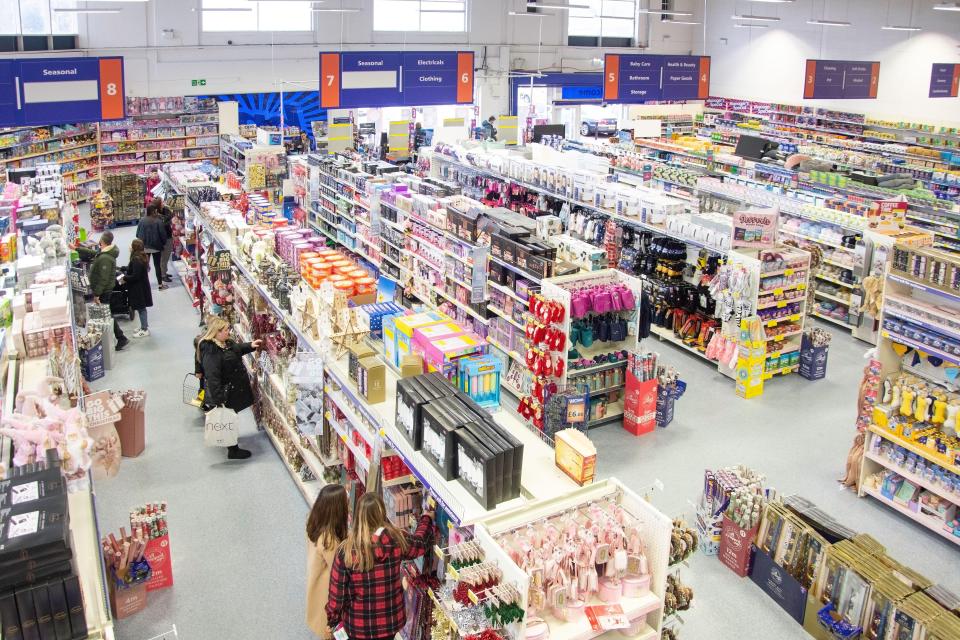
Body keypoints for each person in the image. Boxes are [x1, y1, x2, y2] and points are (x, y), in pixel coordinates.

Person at [326, 494, 435, 640]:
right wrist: (426, 518)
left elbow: (337, 595)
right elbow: (421, 543)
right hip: (389, 622)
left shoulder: (346, 551)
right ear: (382, 513)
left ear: (358, 515)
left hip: (357, 625)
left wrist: (332, 619)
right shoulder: (396, 539)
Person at [196, 316, 262, 460]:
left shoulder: (225, 343)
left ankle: (231, 442)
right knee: (227, 418)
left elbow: (236, 349)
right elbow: (213, 377)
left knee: (231, 417)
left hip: (232, 389)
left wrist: (251, 345)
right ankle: (233, 450)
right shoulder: (211, 351)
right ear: (217, 332)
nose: (229, 332)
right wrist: (219, 399)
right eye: (226, 330)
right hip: (225, 393)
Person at [306, 485, 349, 639]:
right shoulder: (329, 540)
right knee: (330, 631)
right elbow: (339, 568)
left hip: (316, 581)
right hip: (327, 592)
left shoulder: (314, 520)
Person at [76, 231, 128, 351]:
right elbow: (95, 253)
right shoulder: (106, 253)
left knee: (107, 315)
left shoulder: (105, 258)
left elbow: (103, 279)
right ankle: (120, 337)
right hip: (105, 290)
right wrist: (78, 249)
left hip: (104, 291)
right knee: (107, 314)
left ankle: (121, 337)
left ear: (102, 241)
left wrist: (97, 294)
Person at [121, 239, 153, 338]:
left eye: (131, 245)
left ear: (134, 247)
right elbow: (135, 270)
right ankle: (143, 326)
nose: (130, 247)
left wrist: (124, 277)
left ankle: (144, 329)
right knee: (141, 308)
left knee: (141, 308)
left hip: (138, 288)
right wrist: (125, 268)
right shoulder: (141, 257)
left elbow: (135, 276)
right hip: (142, 287)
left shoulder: (136, 259)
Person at [136, 204, 169, 289]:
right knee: (157, 265)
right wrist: (163, 243)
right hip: (156, 247)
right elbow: (163, 235)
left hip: (145, 247)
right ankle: (160, 285)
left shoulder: (142, 221)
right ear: (154, 211)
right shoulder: (158, 221)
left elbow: (137, 234)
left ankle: (144, 285)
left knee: (145, 266)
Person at [151, 197, 175, 284]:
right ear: (159, 204)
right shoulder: (156, 215)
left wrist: (168, 215)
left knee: (166, 256)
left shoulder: (164, 210)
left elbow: (170, 215)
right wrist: (168, 220)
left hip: (168, 236)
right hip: (163, 239)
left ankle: (164, 272)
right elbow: (164, 222)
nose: (164, 203)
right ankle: (163, 275)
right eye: (162, 202)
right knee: (164, 257)